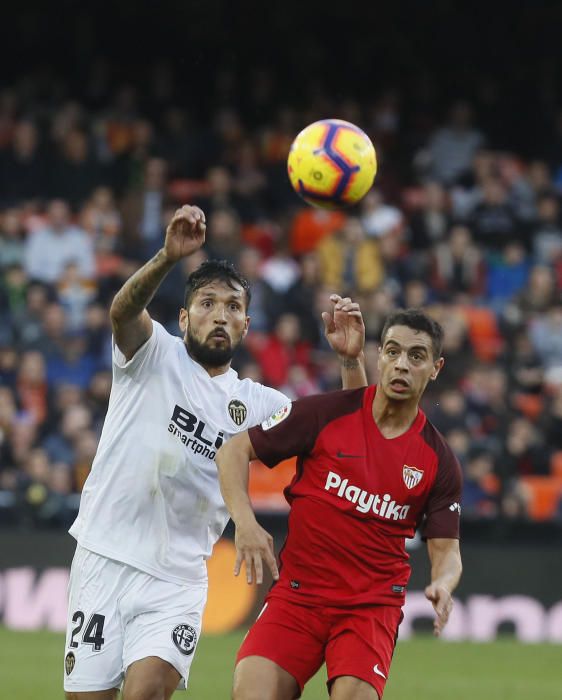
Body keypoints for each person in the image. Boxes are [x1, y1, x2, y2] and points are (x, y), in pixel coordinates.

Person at [63, 204, 367, 700]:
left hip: (177, 581)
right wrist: (166, 257)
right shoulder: (153, 355)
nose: (219, 315)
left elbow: (352, 434)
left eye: (232, 307)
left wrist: (351, 362)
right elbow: (121, 312)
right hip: (104, 556)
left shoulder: (258, 404)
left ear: (246, 324)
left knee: (147, 692)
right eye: (206, 303)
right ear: (183, 317)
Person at [216, 309, 463, 700]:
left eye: (416, 356)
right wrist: (244, 522)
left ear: (435, 367)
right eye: (394, 352)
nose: (402, 365)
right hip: (298, 595)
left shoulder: (438, 460)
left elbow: (447, 550)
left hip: (369, 608)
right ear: (379, 355)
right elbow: (233, 450)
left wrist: (443, 584)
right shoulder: (326, 413)